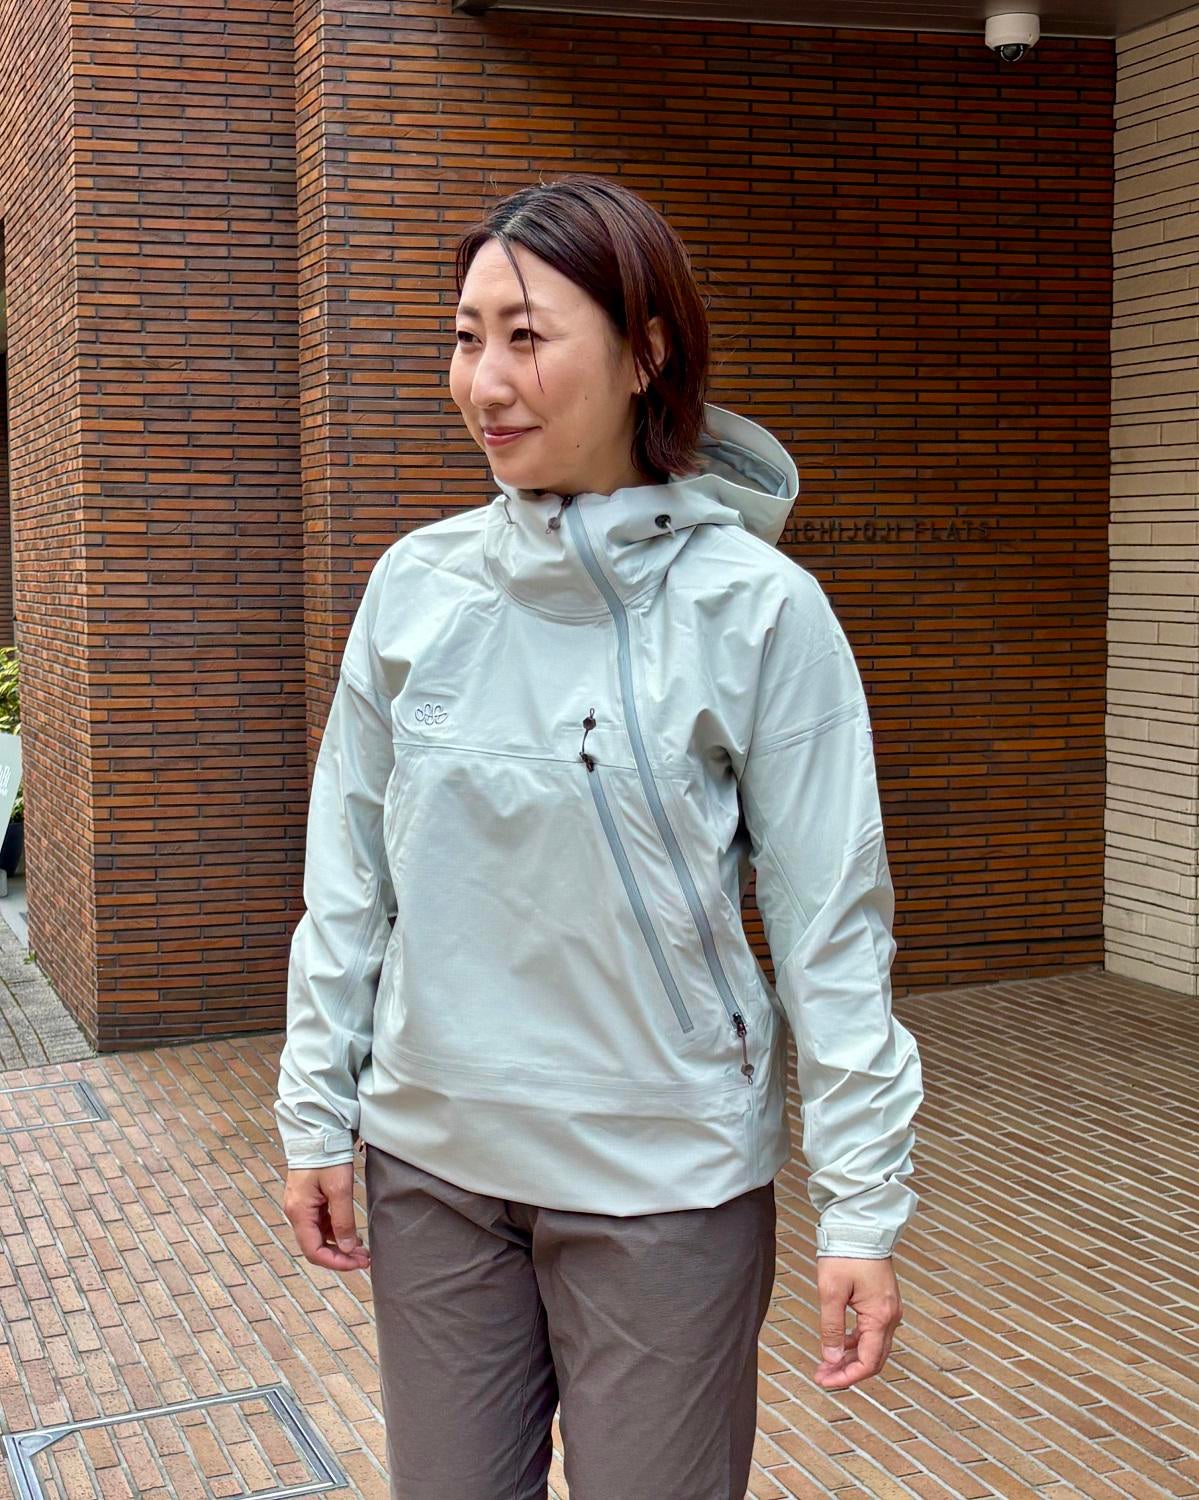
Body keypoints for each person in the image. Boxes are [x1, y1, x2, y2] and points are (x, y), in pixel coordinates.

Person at [275, 172, 924, 1500]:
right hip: (433, 1167)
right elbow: (350, 877)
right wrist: (316, 1112)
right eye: (468, 337)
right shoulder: (413, 588)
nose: (485, 382)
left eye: (528, 337)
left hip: (665, 1178)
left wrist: (861, 1204)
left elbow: (832, 926)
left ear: (645, 353)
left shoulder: (760, 610)